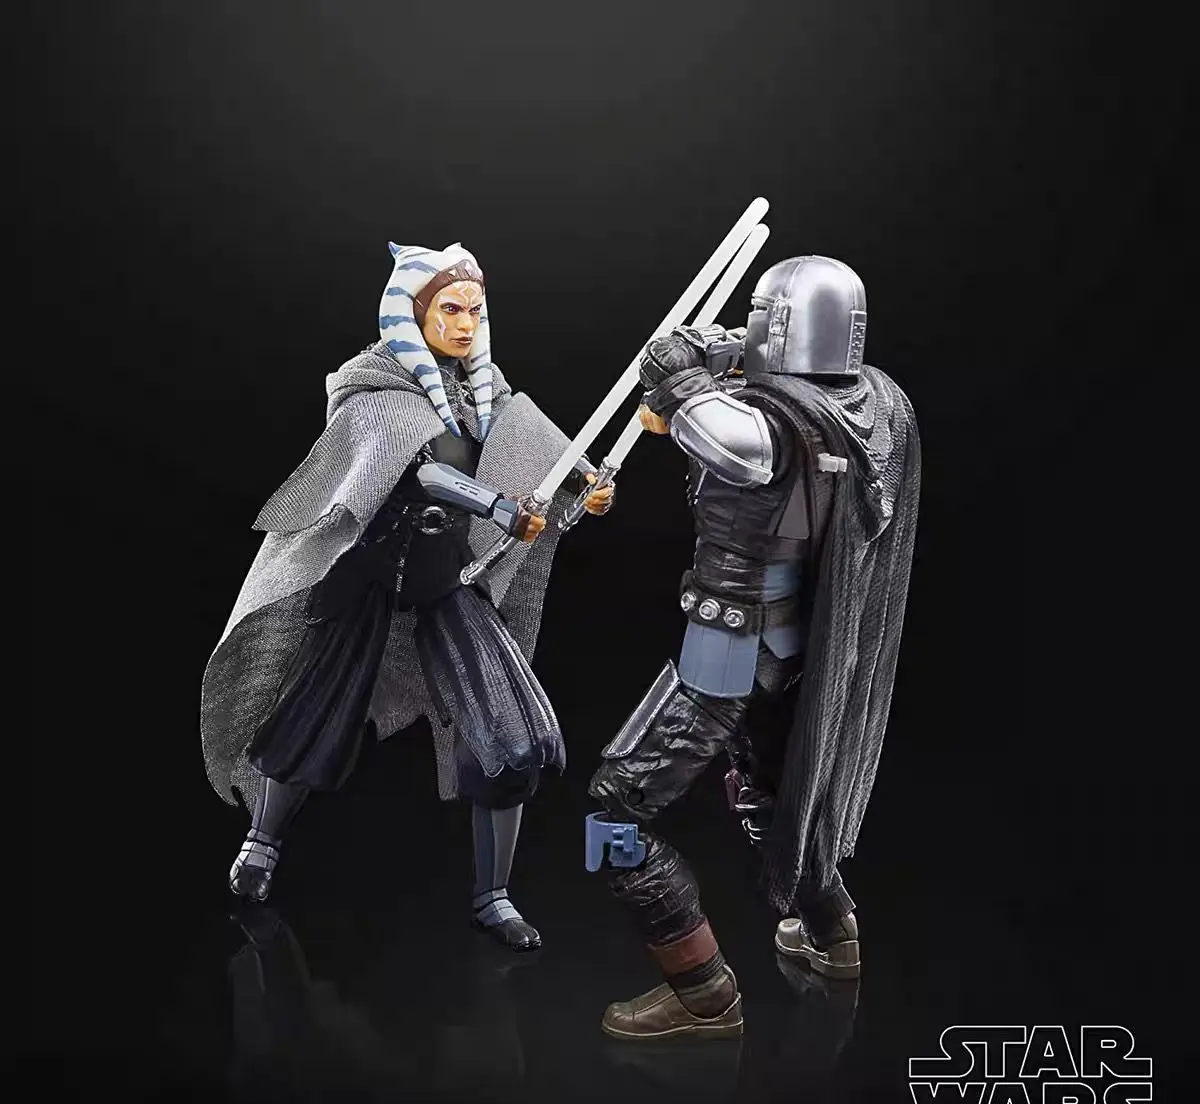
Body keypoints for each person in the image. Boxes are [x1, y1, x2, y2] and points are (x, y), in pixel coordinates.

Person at [201, 241, 613, 951]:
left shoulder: (486, 394)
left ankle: (494, 896)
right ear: (412, 313)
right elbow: (418, 471)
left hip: (444, 578)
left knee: (510, 736)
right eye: (450, 309)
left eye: (475, 311)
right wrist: (496, 506)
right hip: (368, 575)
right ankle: (262, 842)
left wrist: (587, 487)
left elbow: (550, 457)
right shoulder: (375, 389)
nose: (465, 325)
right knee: (309, 716)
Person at [584, 255, 919, 1037]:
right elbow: (716, 408)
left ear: (783, 323)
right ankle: (833, 935)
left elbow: (733, 444)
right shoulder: (872, 405)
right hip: (798, 647)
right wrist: (714, 357)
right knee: (772, 792)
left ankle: (700, 992)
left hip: (728, 647)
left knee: (614, 814)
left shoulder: (774, 424)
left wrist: (677, 370)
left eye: (762, 319)